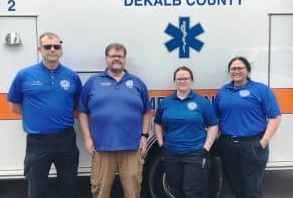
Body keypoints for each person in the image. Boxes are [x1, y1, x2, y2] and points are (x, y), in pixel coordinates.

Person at [7, 32, 82, 198]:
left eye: (56, 46)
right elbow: (14, 106)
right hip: (38, 142)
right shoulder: (24, 75)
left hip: (66, 140)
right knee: (36, 187)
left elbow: (76, 104)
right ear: (40, 49)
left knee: (69, 186)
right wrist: (37, 117)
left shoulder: (72, 76)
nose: (52, 50)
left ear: (61, 49)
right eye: (48, 47)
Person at [78, 43, 152, 198]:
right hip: (102, 147)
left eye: (120, 56)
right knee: (100, 191)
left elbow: (146, 111)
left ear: (124, 59)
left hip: (132, 148)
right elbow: (83, 112)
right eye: (113, 56)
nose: (116, 59)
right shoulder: (93, 82)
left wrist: (144, 136)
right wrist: (87, 138)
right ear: (106, 59)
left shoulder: (137, 83)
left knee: (133, 191)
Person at [214, 56, 281, 198]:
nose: (236, 71)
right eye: (233, 69)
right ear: (228, 72)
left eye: (240, 68)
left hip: (252, 144)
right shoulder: (223, 91)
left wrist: (264, 141)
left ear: (248, 71)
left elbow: (275, 117)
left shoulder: (261, 89)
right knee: (234, 185)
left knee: (252, 189)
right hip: (228, 145)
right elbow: (216, 118)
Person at [154, 66, 218, 198]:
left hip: (195, 153)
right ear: (174, 81)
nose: (182, 81)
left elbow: (213, 125)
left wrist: (206, 148)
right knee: (175, 189)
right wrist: (161, 144)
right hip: (171, 153)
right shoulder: (166, 102)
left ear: (191, 81)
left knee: (192, 191)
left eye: (186, 78)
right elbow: (158, 123)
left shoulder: (202, 102)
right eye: (179, 79)